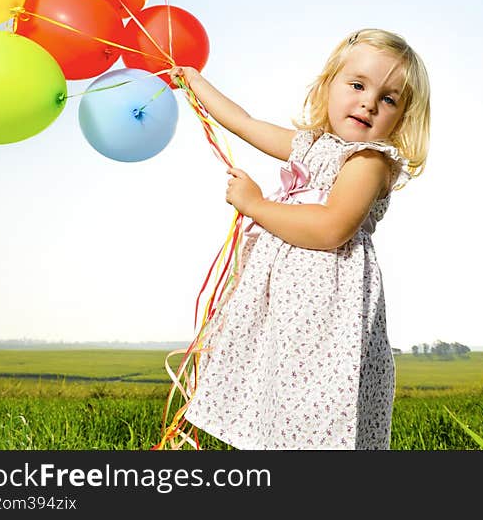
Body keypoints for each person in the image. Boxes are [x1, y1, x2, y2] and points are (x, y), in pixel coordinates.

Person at [168, 28, 430, 450]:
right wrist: (195, 82)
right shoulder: (312, 145)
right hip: (289, 310)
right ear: (328, 87)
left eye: (388, 98)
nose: (368, 102)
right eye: (358, 85)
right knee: (281, 403)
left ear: (401, 117)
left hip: (325, 314)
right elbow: (245, 122)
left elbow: (331, 227)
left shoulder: (368, 161)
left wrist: (255, 205)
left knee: (317, 407)